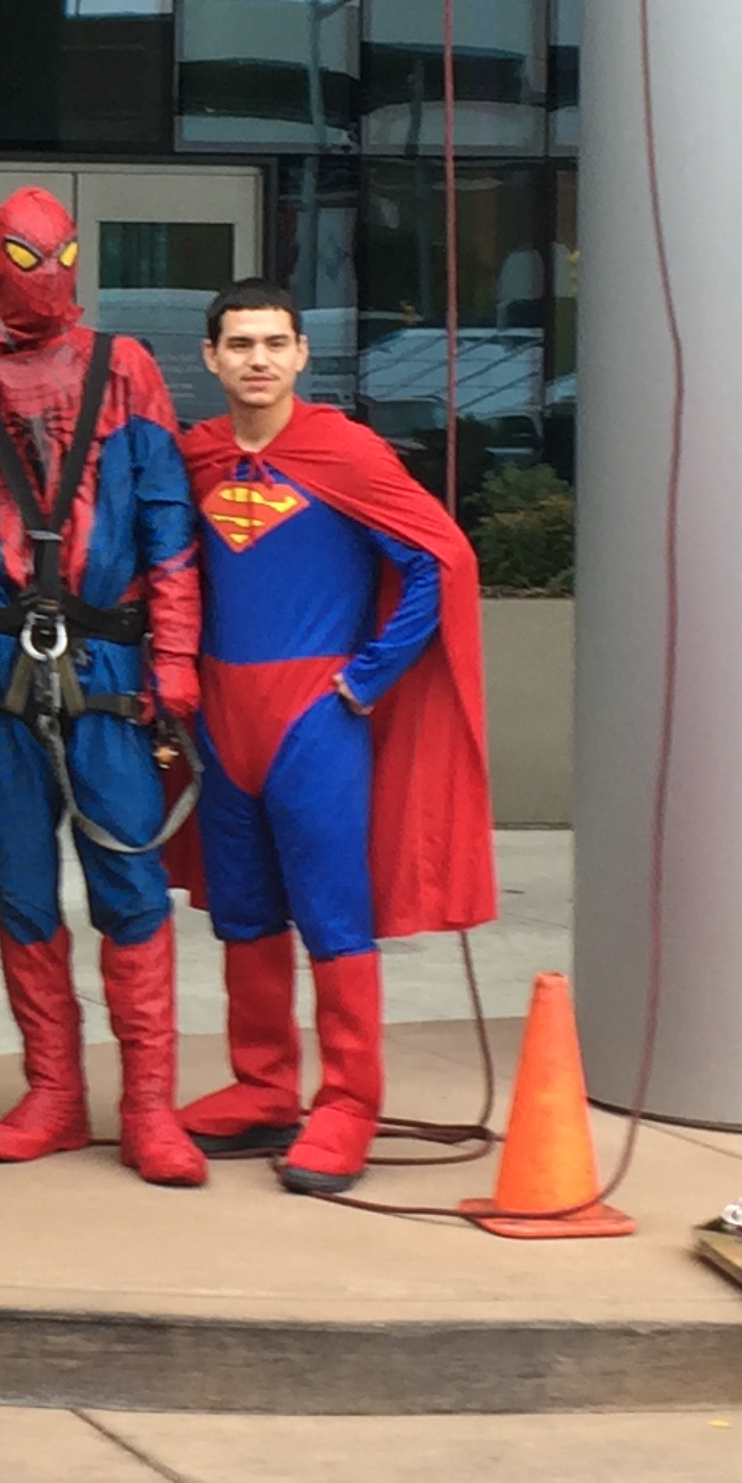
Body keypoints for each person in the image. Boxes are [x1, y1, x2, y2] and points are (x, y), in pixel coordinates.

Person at [0, 188, 207, 1187]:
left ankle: (149, 1108)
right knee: (22, 888)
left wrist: (177, 655)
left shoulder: (127, 372)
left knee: (129, 880)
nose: (47, 271)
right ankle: (56, 1095)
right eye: (27, 253)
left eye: (60, 253)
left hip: (109, 660)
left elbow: (167, 522)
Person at [170, 279, 495, 1192]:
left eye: (275, 342)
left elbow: (437, 558)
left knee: (332, 912)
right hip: (219, 718)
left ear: (302, 355)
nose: (258, 360)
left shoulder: (342, 452)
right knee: (241, 911)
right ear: (211, 358)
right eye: (239, 344)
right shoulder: (191, 457)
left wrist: (365, 678)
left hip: (315, 716)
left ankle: (348, 1101)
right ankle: (264, 1087)